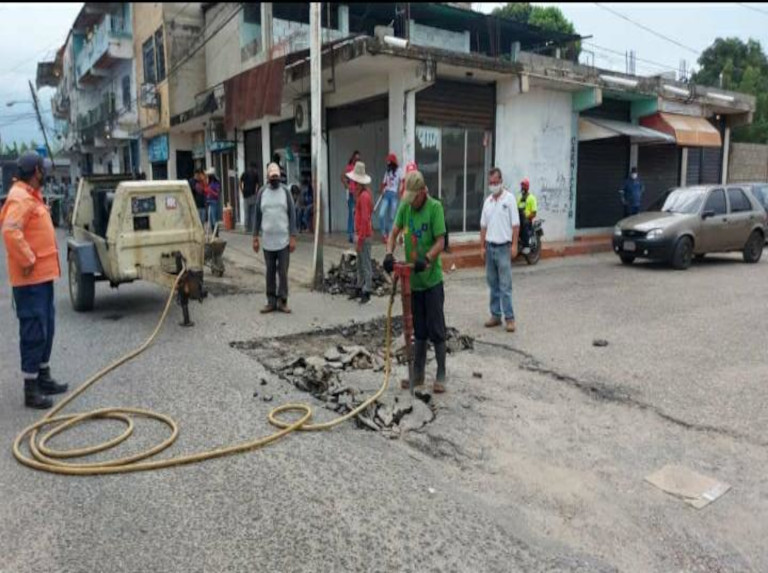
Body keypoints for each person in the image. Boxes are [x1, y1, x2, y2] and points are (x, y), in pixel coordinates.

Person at [0, 151, 68, 409]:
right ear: (36, 171)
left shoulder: (31, 195)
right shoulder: (20, 198)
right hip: (29, 282)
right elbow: (10, 231)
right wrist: (28, 260)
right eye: (43, 169)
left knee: (46, 328)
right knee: (33, 331)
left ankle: (44, 376)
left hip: (42, 279)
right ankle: (31, 390)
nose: (46, 173)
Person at [384, 170, 448, 394]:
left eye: (415, 197)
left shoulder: (435, 208)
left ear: (423, 191)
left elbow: (441, 241)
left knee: (436, 327)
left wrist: (427, 258)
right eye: (408, 198)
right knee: (418, 329)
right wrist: (389, 254)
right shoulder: (406, 207)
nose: (412, 202)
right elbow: (393, 233)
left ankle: (441, 374)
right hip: (413, 283)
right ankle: (418, 374)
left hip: (431, 280)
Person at [252, 163, 297, 314]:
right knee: (270, 271)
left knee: (283, 272)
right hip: (267, 242)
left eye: (277, 177)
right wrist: (255, 237)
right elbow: (257, 216)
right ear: (267, 177)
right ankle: (271, 301)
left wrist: (293, 237)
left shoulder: (286, 192)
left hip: (283, 241)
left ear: (280, 176)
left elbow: (292, 215)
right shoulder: (262, 193)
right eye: (272, 177)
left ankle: (282, 301)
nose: (275, 180)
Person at [481, 167, 520, 333]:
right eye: (491, 183)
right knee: (493, 283)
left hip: (504, 247)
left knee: (505, 285)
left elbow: (515, 225)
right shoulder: (488, 201)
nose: (493, 185)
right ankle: (495, 315)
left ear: (501, 181)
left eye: (496, 182)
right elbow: (483, 226)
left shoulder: (509, 199)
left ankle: (509, 318)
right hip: (490, 247)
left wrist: (514, 245)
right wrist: (481, 246)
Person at [347, 162, 374, 305]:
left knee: (365, 263)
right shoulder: (365, 194)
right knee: (360, 262)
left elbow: (365, 219)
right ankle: (360, 286)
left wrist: (360, 239)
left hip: (364, 234)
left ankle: (367, 289)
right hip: (362, 233)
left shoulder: (363, 196)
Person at [379, 153, 402, 244]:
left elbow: (402, 181)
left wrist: (401, 190)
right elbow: (383, 183)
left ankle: (389, 235)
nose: (388, 164)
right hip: (386, 194)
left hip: (394, 195)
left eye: (389, 162)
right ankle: (384, 234)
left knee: (392, 217)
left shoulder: (399, 171)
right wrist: (382, 189)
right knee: (381, 214)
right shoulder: (387, 172)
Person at [342, 150, 361, 243]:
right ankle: (350, 234)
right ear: (353, 158)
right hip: (351, 194)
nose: (357, 160)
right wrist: (347, 186)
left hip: (358, 194)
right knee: (351, 214)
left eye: (358, 158)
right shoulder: (349, 167)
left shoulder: (359, 168)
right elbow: (342, 177)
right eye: (356, 158)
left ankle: (357, 233)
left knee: (357, 214)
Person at [517, 177, 538, 255]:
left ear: (527, 187)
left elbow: (534, 213)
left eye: (524, 186)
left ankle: (526, 246)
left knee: (524, 223)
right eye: (522, 186)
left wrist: (527, 217)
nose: (522, 187)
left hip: (527, 220)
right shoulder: (519, 197)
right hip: (519, 218)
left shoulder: (532, 198)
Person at [240, 161, 261, 233]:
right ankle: (253, 228)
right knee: (253, 213)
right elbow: (257, 185)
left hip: (246, 195)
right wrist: (256, 192)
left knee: (246, 212)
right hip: (253, 195)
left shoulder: (245, 173)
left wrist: (242, 190)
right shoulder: (256, 174)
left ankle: (246, 228)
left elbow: (240, 181)